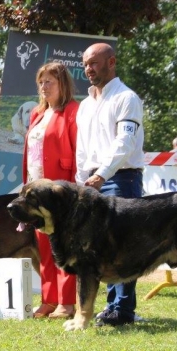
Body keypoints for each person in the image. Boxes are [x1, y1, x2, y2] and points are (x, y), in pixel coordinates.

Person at [75, 43, 145, 326]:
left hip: (121, 178)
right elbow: (82, 147)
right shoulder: (85, 104)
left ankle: (123, 310)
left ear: (111, 61)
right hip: (92, 181)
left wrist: (102, 174)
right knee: (100, 245)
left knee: (124, 244)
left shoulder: (127, 98)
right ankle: (111, 306)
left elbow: (125, 143)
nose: (88, 69)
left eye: (93, 63)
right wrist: (82, 180)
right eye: (85, 64)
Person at [22, 62, 78, 319]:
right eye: (41, 82)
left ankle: (67, 303)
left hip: (61, 190)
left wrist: (74, 187)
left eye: (50, 82)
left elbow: (79, 151)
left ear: (62, 84)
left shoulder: (74, 111)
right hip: (36, 191)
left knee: (63, 247)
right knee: (43, 246)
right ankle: (49, 300)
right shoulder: (36, 113)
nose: (44, 87)